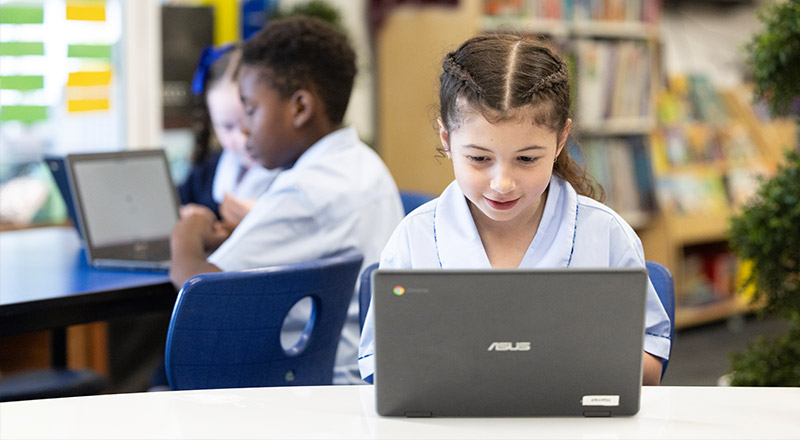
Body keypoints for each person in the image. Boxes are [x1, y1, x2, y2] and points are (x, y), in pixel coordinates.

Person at [358, 33, 671, 385]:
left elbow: (649, 368)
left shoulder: (606, 235)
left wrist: (566, 354)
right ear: (446, 139)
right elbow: (378, 367)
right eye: (479, 158)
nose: (502, 183)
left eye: (526, 159)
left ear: (560, 141)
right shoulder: (414, 238)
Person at [169, 16, 404, 385]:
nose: (244, 128)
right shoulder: (363, 163)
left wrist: (185, 236)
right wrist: (246, 231)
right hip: (363, 373)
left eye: (251, 109)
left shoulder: (303, 193)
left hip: (313, 385)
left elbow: (205, 296)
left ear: (299, 108)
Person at [178, 44, 277, 226]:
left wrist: (266, 219)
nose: (242, 138)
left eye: (249, 120)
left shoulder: (292, 178)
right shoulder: (205, 172)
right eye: (227, 126)